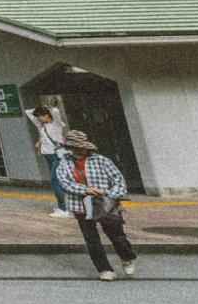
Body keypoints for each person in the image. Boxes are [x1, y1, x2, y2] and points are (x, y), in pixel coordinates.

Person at [55, 129, 137, 281]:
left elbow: (119, 181)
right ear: (69, 148)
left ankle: (126, 258)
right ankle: (105, 269)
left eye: (80, 147)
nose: (78, 150)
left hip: (105, 203)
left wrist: (109, 196)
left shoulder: (102, 160)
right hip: (80, 205)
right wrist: (86, 190)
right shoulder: (64, 162)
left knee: (117, 235)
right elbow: (64, 183)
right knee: (91, 239)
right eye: (74, 147)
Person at [26, 106, 71, 216]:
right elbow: (27, 112)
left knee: (54, 182)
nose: (38, 119)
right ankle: (63, 207)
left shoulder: (56, 125)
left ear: (46, 116)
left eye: (40, 117)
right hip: (48, 156)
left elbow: (56, 112)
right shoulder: (41, 125)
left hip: (57, 157)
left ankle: (62, 209)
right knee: (56, 182)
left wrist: (50, 109)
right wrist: (39, 109)